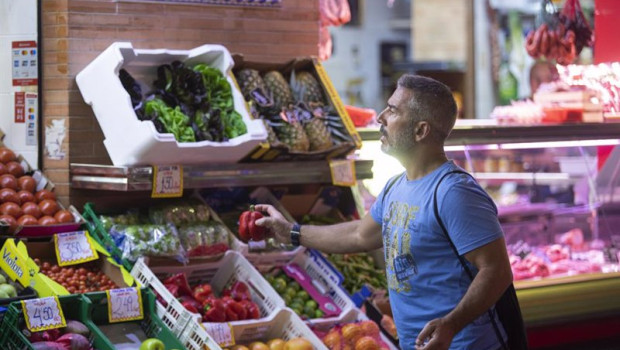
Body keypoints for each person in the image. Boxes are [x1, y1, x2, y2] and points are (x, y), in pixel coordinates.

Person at [255, 74, 513, 350]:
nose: (380, 117)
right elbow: (358, 234)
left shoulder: (454, 192)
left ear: (420, 130)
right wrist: (292, 232)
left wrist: (451, 323)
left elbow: (496, 271)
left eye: (393, 110)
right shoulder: (395, 187)